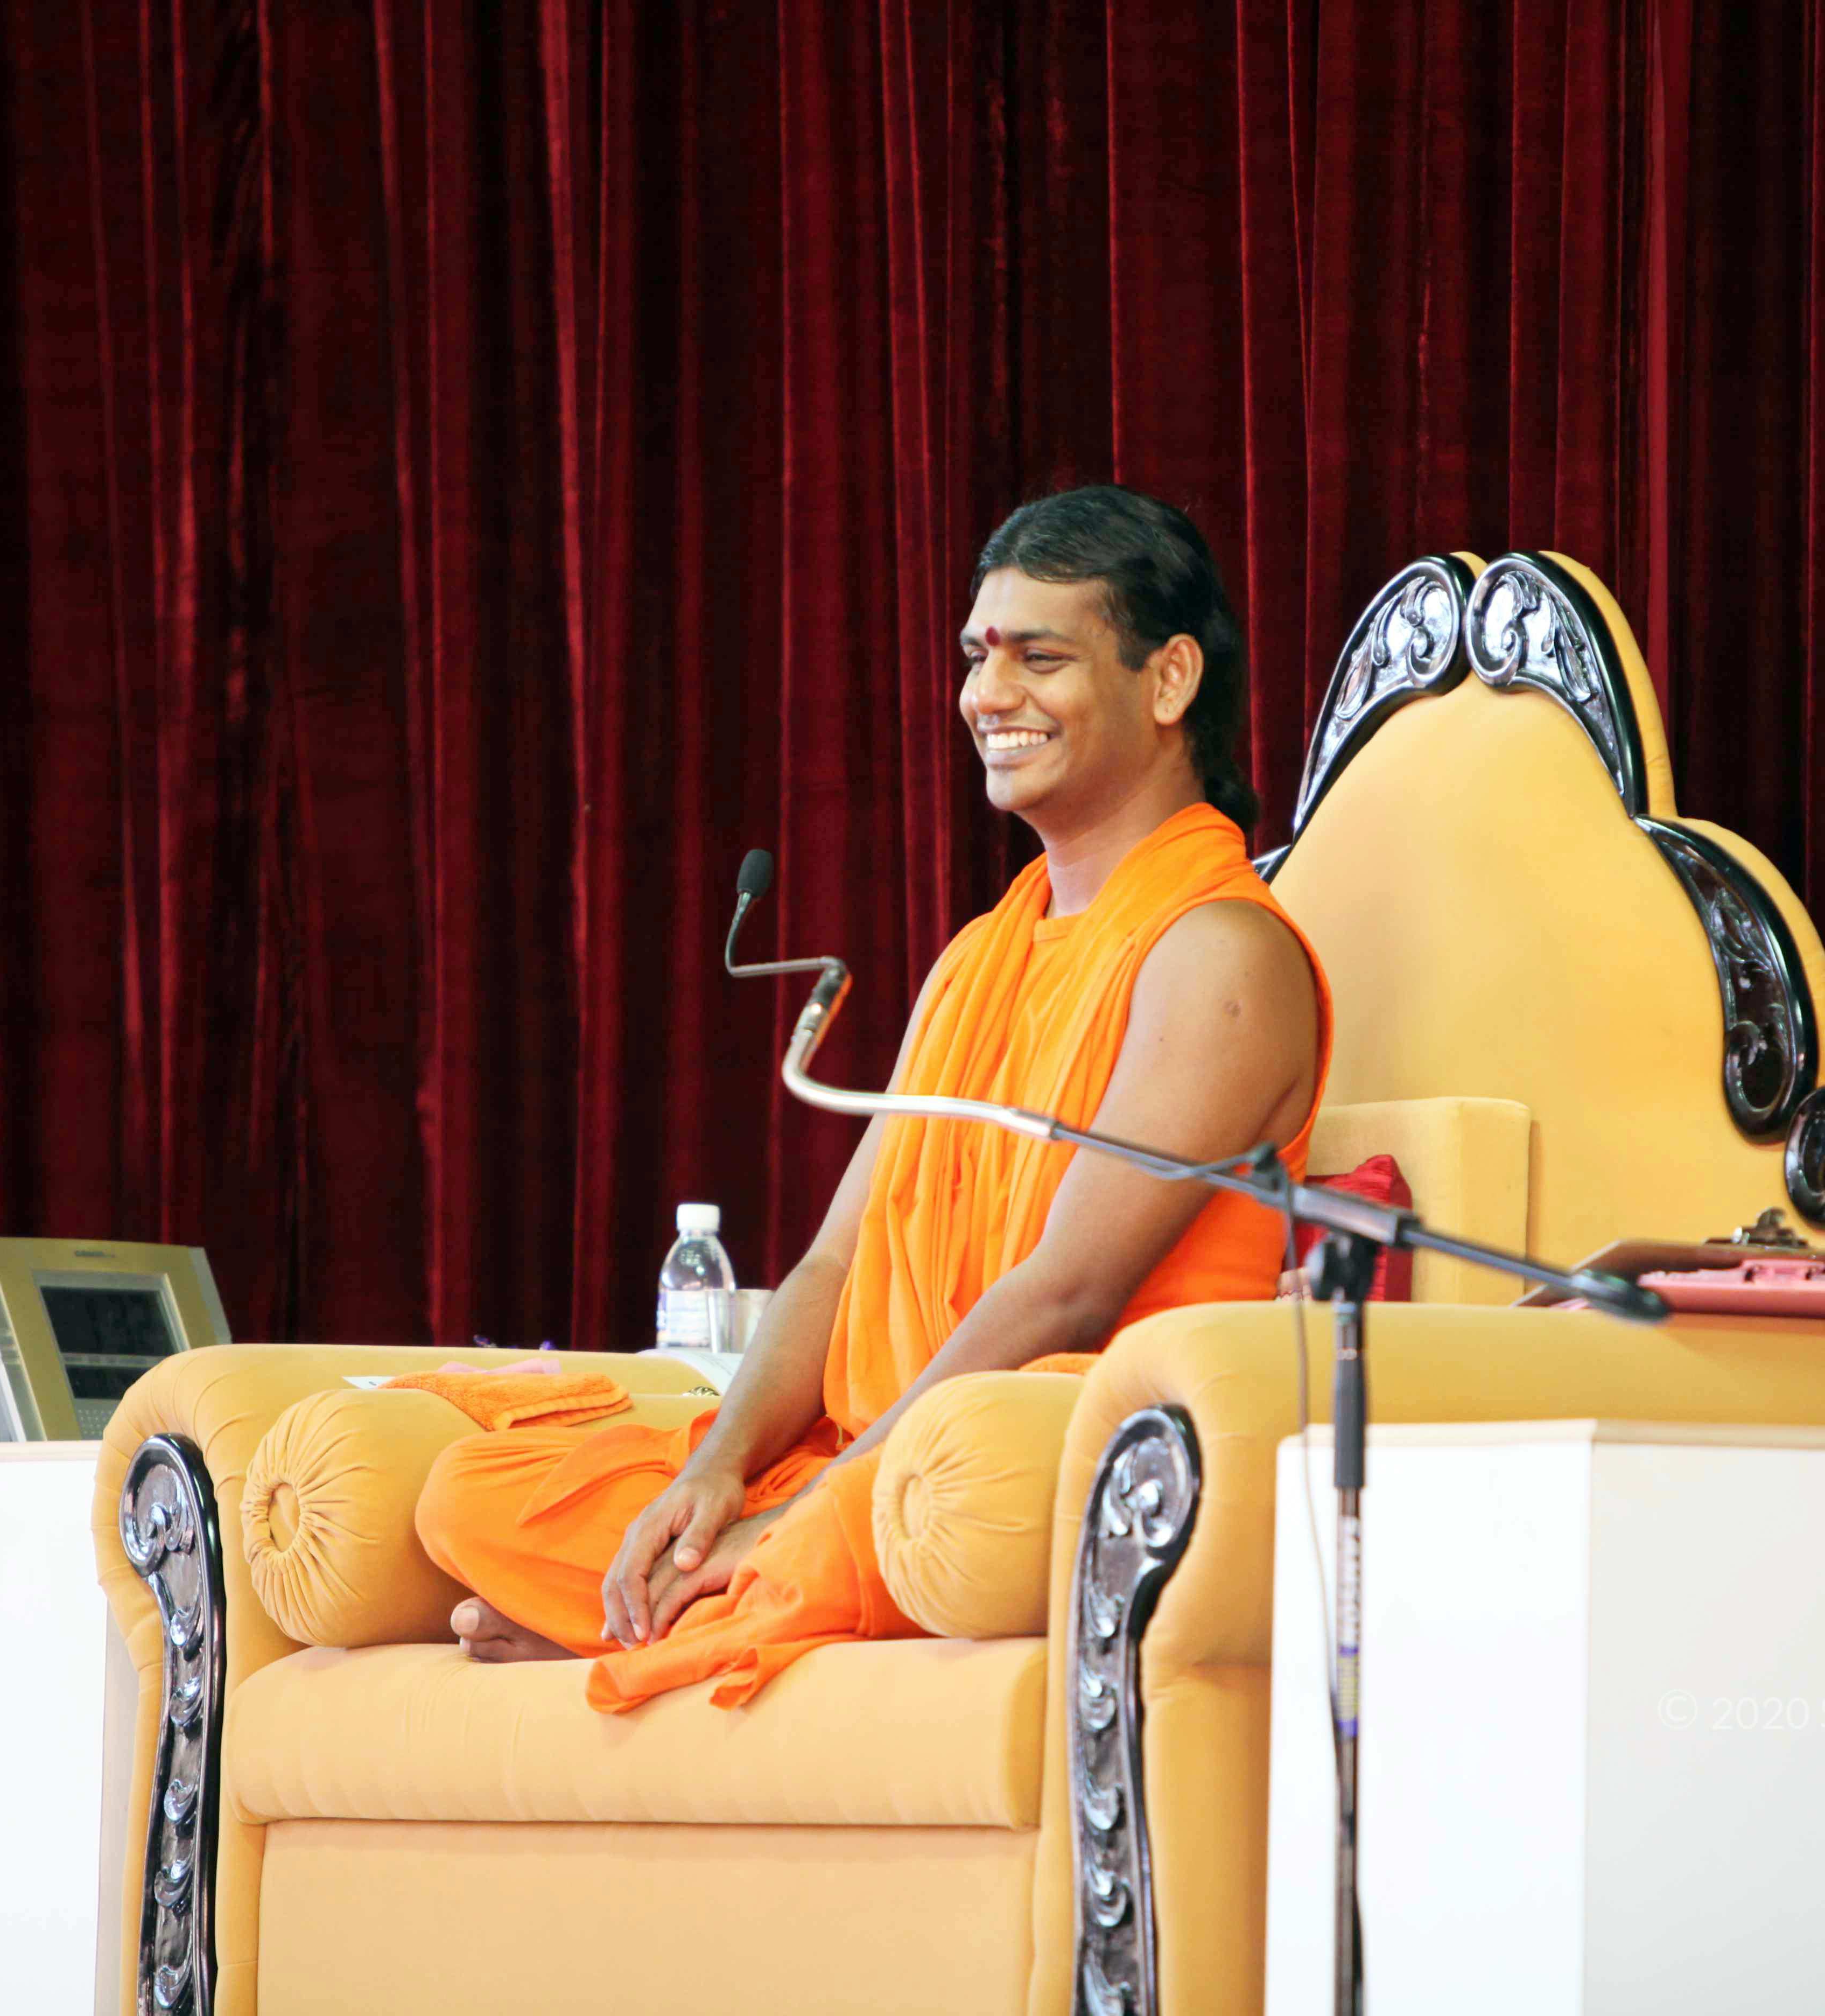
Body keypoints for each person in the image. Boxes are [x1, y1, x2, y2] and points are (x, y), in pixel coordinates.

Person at [413, 483, 1332, 1707]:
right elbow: (835, 1266)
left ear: (1168, 681)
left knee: (938, 1496)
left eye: (1039, 659)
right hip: (873, 1456)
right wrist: (719, 1475)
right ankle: (698, 1606)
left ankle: (673, 1612)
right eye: (977, 658)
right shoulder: (975, 960)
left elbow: (1070, 1291)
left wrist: (821, 1510)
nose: (987, 695)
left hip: (1039, 1455)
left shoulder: (1220, 953)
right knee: (470, 1493)